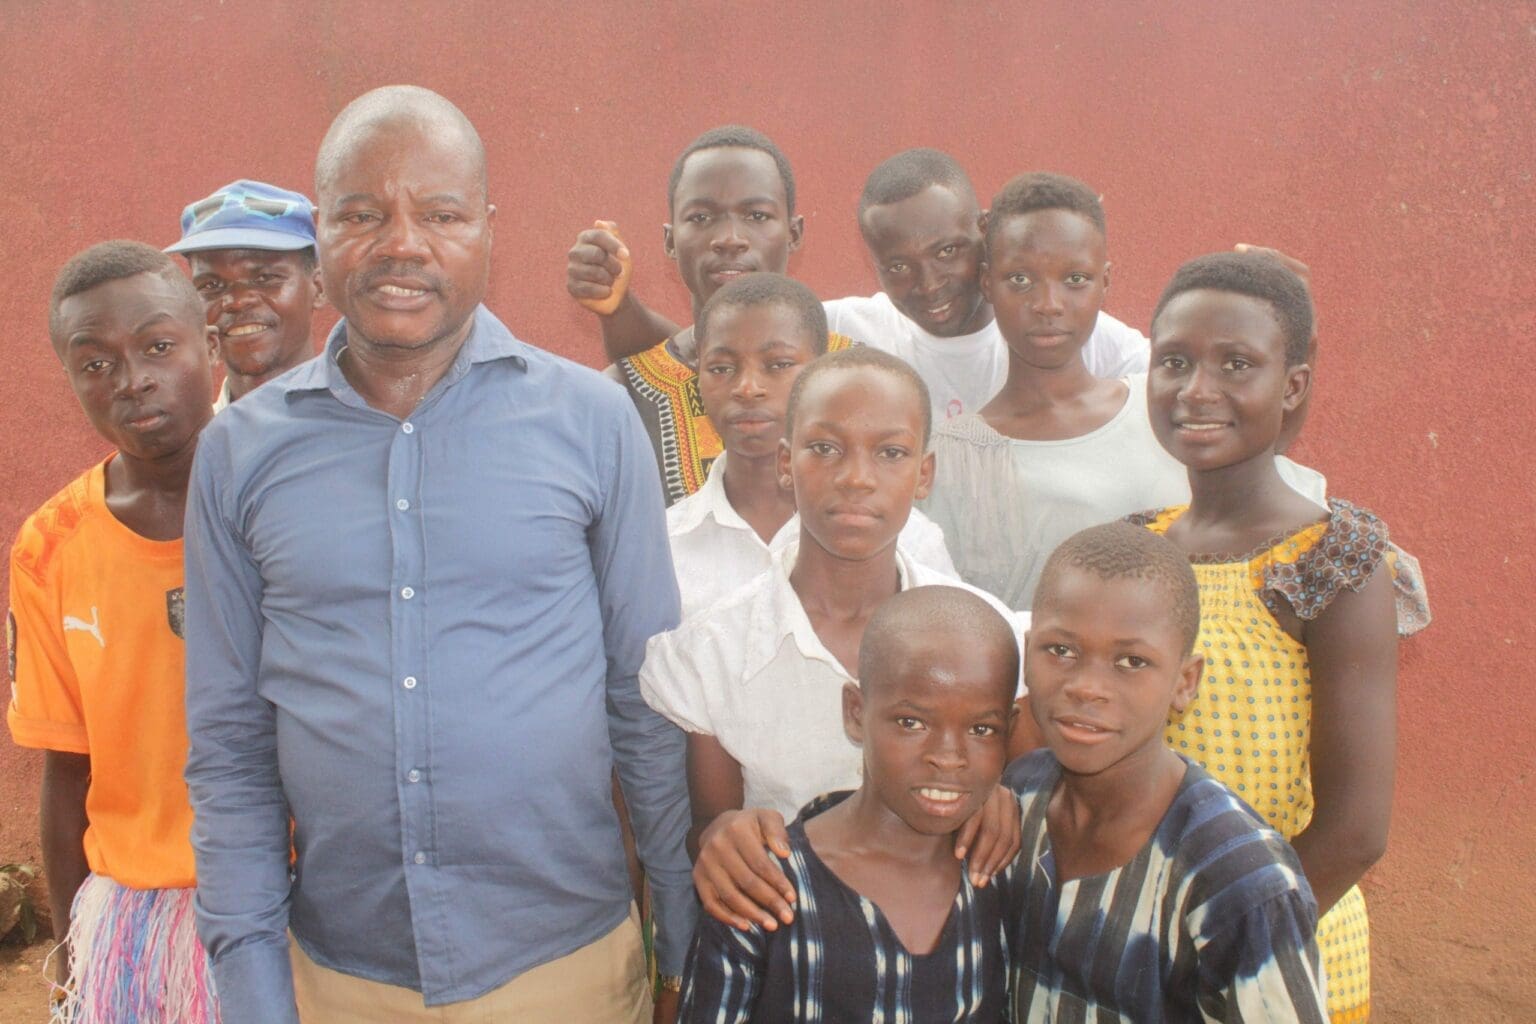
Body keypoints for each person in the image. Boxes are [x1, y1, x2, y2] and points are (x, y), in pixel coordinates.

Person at [182, 86, 693, 1024]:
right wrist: (254, 988)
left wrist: (685, 945)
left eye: (442, 214)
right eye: (363, 214)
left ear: (488, 231)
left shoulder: (592, 423)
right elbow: (229, 748)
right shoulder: (238, 455)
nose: (402, 243)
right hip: (338, 979)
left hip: (563, 972)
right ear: (322, 232)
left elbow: (647, 697)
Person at [1131, 250, 1399, 1022]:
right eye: (1174, 361)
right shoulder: (1136, 552)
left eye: (1235, 364)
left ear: (1292, 387)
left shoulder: (1333, 560)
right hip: (1146, 943)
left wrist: (1223, 946)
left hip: (1283, 952)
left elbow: (1355, 830)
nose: (1197, 390)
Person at [641, 347, 1026, 875]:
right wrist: (721, 836)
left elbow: (1027, 790)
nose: (856, 478)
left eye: (890, 453)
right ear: (784, 463)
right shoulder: (714, 653)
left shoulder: (991, 635)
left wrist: (1014, 799)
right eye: (824, 448)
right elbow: (713, 828)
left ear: (924, 473)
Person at [7, 241, 220, 1021]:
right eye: (93, 362)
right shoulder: (51, 546)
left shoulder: (287, 505)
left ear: (212, 343)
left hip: (302, 906)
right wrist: (71, 956)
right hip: (139, 929)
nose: (131, 381)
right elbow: (68, 770)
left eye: (158, 346)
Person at [1008, 521, 1329, 1020]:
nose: (1087, 686)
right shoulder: (1014, 803)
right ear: (1028, 655)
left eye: (1131, 661)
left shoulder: (1242, 883)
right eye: (1061, 650)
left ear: (1185, 681)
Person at [569, 147, 1147, 424]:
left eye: (947, 251)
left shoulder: (1091, 342)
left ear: (983, 229)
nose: (929, 282)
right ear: (871, 265)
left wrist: (1242, 299)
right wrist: (620, 310)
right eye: (898, 266)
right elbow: (702, 357)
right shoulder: (848, 332)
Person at [677, 586, 1021, 1022]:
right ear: (856, 712)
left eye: (982, 729)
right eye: (911, 722)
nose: (948, 756)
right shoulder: (764, 886)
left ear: (1010, 729)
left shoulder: (1002, 872)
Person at [921, 172, 1190, 610]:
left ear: (1106, 282)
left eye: (1075, 279)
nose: (1048, 303)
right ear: (988, 284)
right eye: (1021, 280)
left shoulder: (1162, 407)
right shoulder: (953, 457)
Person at [582, 125, 851, 505]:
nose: (729, 238)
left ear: (793, 234)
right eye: (701, 218)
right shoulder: (622, 395)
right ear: (670, 240)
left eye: (756, 215)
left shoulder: (856, 375)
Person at [671, 271, 954, 619]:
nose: (747, 387)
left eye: (778, 365)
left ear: (822, 369)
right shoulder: (664, 545)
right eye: (721, 368)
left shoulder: (911, 540)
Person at [164, 179, 326, 408]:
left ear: (319, 287)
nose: (237, 301)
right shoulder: (193, 441)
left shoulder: (376, 426)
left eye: (265, 278)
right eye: (211, 285)